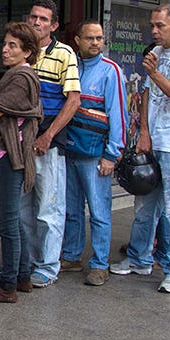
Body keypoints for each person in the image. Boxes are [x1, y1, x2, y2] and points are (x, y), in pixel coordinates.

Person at [110, 5, 170, 294]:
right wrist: (144, 134)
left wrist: (155, 73)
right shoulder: (157, 54)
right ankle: (139, 258)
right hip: (156, 143)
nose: (154, 31)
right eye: (152, 25)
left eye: (160, 25)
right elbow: (147, 96)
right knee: (145, 206)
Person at [0, 22, 42, 303]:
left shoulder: (20, 79)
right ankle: (23, 276)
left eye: (13, 45)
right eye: (4, 43)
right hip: (14, 154)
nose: (5, 49)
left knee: (8, 221)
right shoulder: (20, 75)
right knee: (14, 220)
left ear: (27, 51)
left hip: (9, 156)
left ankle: (8, 286)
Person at [60, 20, 126, 287]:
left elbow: (118, 115)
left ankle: (100, 264)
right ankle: (72, 256)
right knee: (72, 210)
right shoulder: (71, 66)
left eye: (99, 38)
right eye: (90, 38)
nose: (96, 43)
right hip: (70, 150)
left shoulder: (111, 71)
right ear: (78, 40)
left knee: (99, 211)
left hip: (96, 154)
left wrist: (112, 154)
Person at [24, 0, 81, 288]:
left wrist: (48, 135)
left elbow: (73, 100)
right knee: (23, 209)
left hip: (49, 142)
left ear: (54, 25)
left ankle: (47, 267)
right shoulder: (22, 50)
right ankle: (27, 263)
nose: (36, 22)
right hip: (21, 142)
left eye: (43, 19)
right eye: (33, 16)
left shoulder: (64, 53)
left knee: (48, 208)